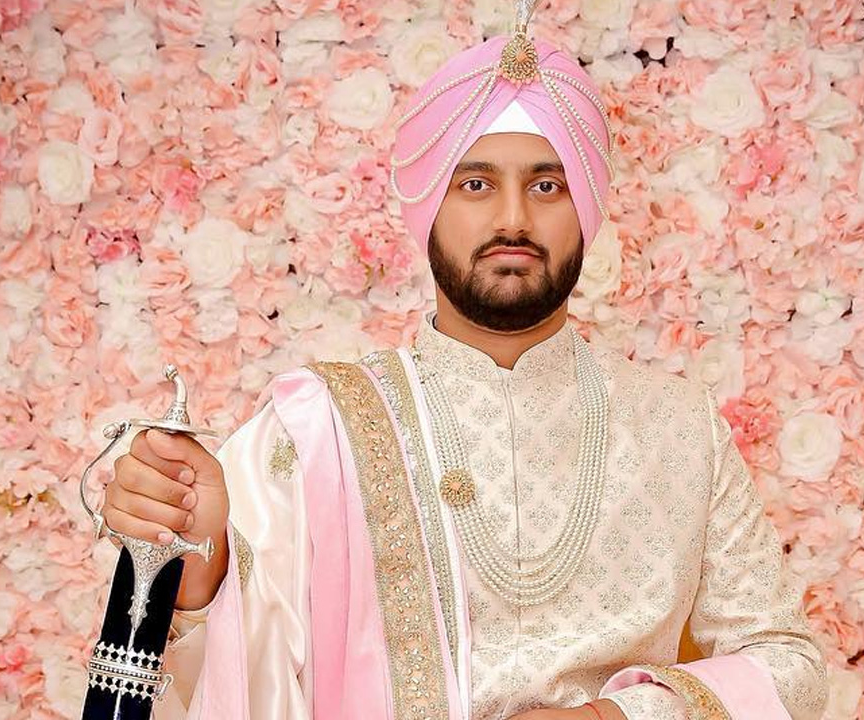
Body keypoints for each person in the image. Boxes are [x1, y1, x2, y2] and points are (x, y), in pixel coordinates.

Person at [98, 5, 827, 719]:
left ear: (588, 208)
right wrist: (205, 565)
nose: (513, 219)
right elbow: (232, 661)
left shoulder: (680, 428)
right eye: (476, 184)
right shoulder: (315, 430)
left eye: (547, 185)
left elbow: (788, 667)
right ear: (428, 209)